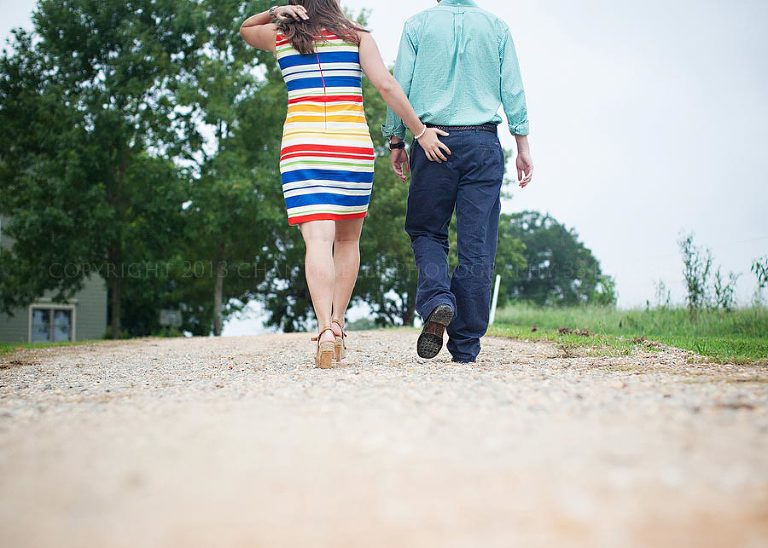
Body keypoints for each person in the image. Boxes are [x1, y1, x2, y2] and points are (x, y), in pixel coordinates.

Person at [240, 0, 449, 368]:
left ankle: (322, 330)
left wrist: (275, 13)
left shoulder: (280, 35)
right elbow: (386, 84)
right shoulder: (356, 35)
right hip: (350, 146)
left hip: (303, 147)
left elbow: (244, 29)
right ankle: (338, 324)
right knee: (348, 240)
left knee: (317, 242)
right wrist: (419, 132)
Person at [382, 0, 534, 363]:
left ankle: (437, 299)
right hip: (483, 143)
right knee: (477, 243)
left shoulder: (417, 25)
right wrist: (522, 144)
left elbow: (397, 84)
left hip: (431, 140)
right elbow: (512, 89)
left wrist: (396, 138)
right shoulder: (496, 27)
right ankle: (465, 346)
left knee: (426, 231)